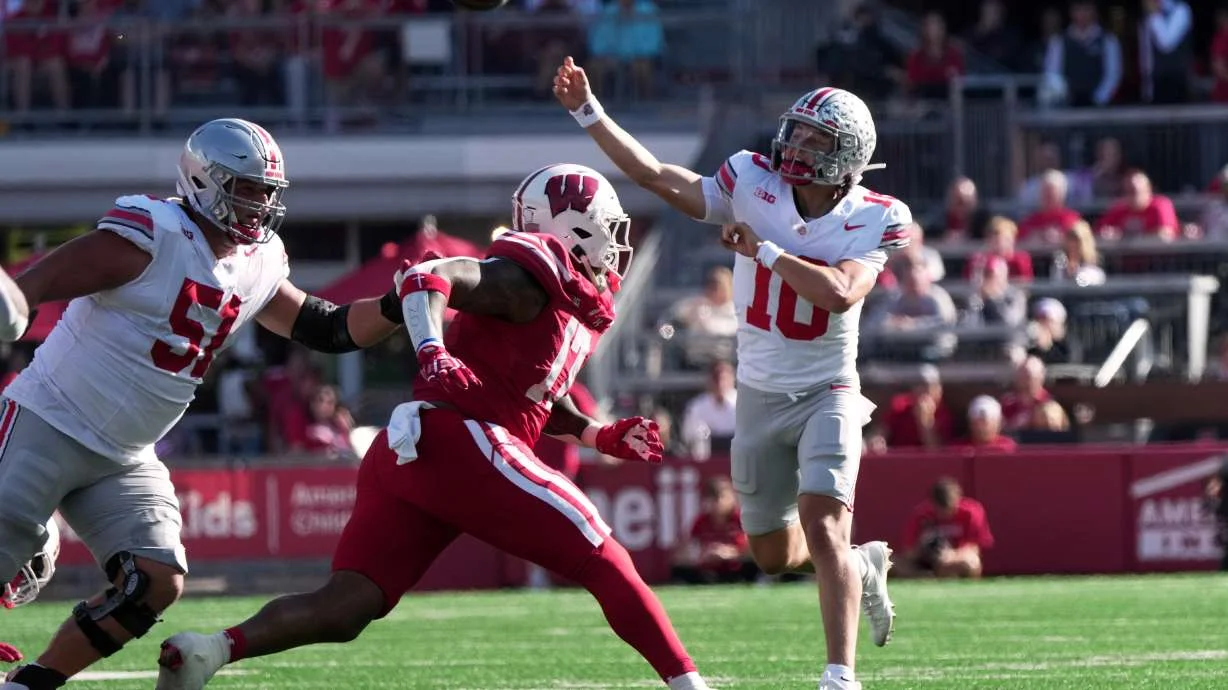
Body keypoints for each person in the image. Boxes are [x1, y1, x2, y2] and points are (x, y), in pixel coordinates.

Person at [155, 164, 714, 690]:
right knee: (603, 555)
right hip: (462, 439)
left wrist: (598, 435)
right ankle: (691, 684)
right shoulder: (524, 275)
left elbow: (537, 395)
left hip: (419, 451)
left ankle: (209, 650)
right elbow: (430, 277)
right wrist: (431, 349)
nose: (614, 241)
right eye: (606, 227)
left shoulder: (559, 297)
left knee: (346, 605)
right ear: (572, 226)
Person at [0, 118, 407, 690]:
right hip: (49, 419)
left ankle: (32, 682)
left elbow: (328, 328)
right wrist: (14, 303)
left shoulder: (259, 262)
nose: (260, 205)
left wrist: (395, 304)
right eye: (247, 189)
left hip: (125, 453)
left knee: (155, 580)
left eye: (267, 192)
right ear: (203, 181)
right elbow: (37, 284)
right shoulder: (154, 232)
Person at [552, 57, 900, 689]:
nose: (797, 145)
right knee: (772, 553)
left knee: (824, 524)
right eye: (797, 131)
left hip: (828, 390)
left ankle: (839, 676)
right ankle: (858, 566)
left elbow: (840, 293)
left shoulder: (874, 214)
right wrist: (588, 112)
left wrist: (764, 250)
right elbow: (656, 176)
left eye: (815, 139)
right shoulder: (751, 179)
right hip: (758, 394)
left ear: (847, 156)